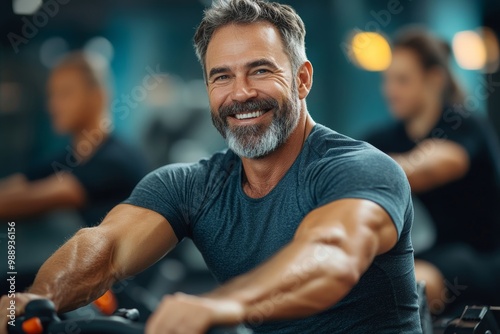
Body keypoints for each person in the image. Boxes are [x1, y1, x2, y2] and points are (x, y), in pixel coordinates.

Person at [0, 1, 422, 333]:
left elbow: (331, 255)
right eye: (221, 77)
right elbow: (105, 247)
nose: (240, 93)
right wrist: (39, 298)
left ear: (302, 79)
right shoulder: (191, 185)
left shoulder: (359, 169)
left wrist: (223, 304)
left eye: (260, 71)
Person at [365, 28, 500, 313]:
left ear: (434, 79)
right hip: (423, 253)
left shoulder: (462, 125)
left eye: (402, 80)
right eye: (387, 80)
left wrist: (358, 174)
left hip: (478, 259)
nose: (389, 91)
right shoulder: (385, 138)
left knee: (406, 282)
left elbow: (431, 166)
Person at [0, 52, 148, 227]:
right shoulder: (73, 157)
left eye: (65, 94)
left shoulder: (114, 161)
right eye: (52, 95)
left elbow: (37, 197)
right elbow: (21, 183)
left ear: (98, 96)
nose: (53, 105)